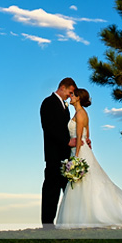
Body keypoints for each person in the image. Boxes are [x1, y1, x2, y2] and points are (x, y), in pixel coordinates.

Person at [56, 88, 122, 228]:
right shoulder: (80, 113)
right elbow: (87, 136)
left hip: (79, 151)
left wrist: (76, 158)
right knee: (83, 182)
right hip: (81, 149)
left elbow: (79, 138)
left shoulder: (80, 114)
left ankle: (93, 215)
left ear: (78, 98)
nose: (70, 97)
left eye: (73, 95)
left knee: (86, 181)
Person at [40, 77, 76, 228]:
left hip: (65, 156)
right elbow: (49, 128)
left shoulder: (65, 107)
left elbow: (66, 129)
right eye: (70, 91)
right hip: (53, 155)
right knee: (51, 191)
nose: (70, 95)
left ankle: (68, 222)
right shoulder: (48, 102)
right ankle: (48, 224)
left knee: (69, 190)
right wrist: (66, 142)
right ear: (62, 87)